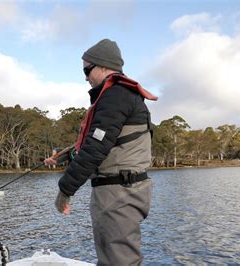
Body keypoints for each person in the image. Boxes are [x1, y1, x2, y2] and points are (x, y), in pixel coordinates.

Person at [45, 39, 158, 265]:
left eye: (87, 70)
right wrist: (64, 156)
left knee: (119, 261)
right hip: (117, 191)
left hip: (119, 192)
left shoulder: (116, 95)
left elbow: (96, 148)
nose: (85, 77)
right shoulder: (117, 96)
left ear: (104, 67)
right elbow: (101, 141)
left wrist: (65, 190)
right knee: (110, 258)